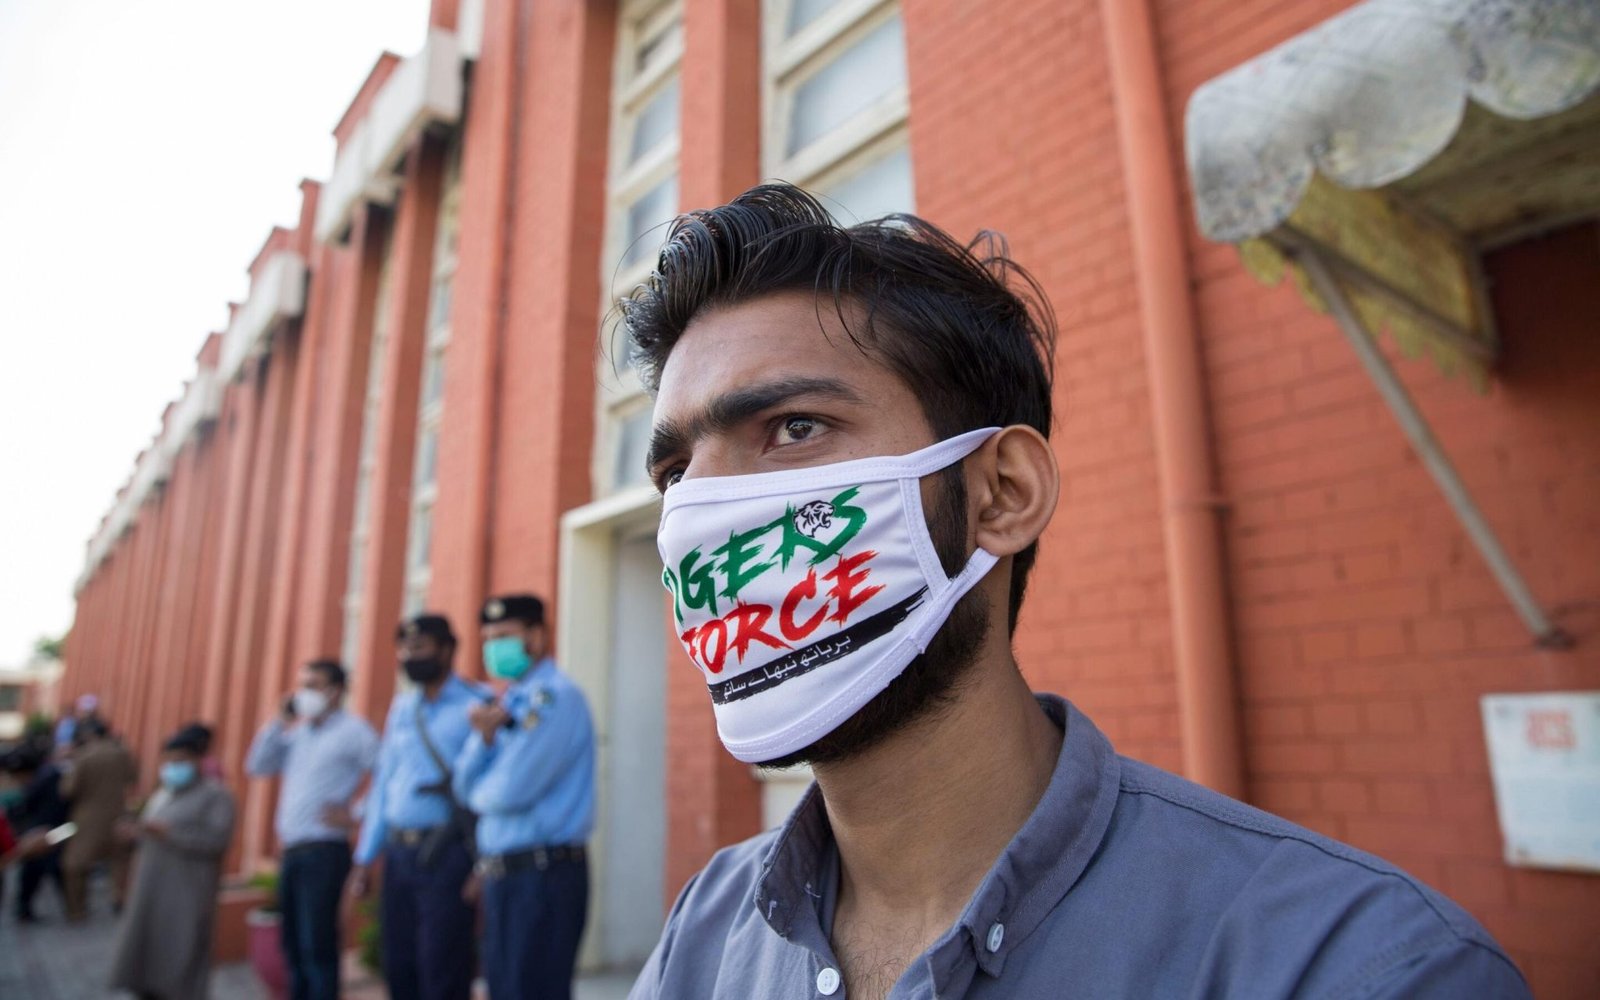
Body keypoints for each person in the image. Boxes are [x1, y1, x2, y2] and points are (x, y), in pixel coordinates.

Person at [620, 184, 1528, 999]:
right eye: (675, 474)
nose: (701, 517)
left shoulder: (1356, 967)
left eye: (794, 427)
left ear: (1003, 494)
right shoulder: (702, 934)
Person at [454, 594, 595, 1000]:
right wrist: (483, 741)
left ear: (536, 636)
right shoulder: (504, 703)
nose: (493, 647)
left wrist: (482, 787)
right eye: (488, 638)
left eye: (504, 636)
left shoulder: (555, 698)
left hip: (543, 874)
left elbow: (508, 792)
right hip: (504, 875)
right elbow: (463, 786)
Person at [349, 614, 489, 1000]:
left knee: (443, 967)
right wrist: (365, 858)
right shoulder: (403, 708)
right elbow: (384, 783)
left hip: (447, 853)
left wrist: (482, 865)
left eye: (420, 647)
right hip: (398, 853)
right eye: (405, 649)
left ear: (446, 650)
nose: (411, 656)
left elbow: (488, 789)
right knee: (400, 965)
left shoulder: (478, 703)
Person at [246, 659, 379, 1000]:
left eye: (312, 685)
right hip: (292, 850)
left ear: (335, 691)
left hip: (324, 851)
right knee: (292, 945)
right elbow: (257, 765)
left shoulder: (354, 731)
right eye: (302, 685)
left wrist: (356, 813)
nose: (303, 693)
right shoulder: (298, 733)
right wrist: (279, 720)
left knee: (317, 944)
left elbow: (386, 775)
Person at [109, 726, 237, 1000]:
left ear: (197, 760)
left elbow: (216, 841)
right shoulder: (164, 793)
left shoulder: (216, 796)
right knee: (147, 953)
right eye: (168, 761)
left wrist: (171, 834)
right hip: (151, 887)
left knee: (181, 956)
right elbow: (152, 830)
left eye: (180, 760)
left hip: (188, 891)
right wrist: (137, 832)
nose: (172, 767)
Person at [59, 716, 138, 920]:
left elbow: (68, 790)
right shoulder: (122, 753)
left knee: (75, 865)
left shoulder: (83, 756)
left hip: (86, 819)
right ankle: (119, 898)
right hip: (119, 816)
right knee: (120, 861)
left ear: (89, 735)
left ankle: (77, 910)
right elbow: (132, 779)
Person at [2, 744, 70, 921]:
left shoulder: (43, 780)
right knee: (50, 868)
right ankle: (71, 906)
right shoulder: (51, 775)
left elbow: (25, 806)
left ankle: (26, 908)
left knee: (45, 867)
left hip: (50, 832)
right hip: (56, 830)